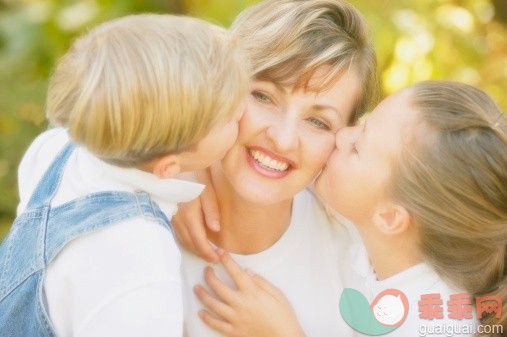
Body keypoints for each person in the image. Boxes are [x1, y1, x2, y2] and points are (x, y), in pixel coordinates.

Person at [0, 13, 249, 337]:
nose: (243, 112)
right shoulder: (139, 261)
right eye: (230, 116)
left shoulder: (58, 148)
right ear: (167, 167)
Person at [193, 81, 507, 336]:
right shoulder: (368, 229)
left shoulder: (438, 325)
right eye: (363, 123)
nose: (342, 135)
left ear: (389, 217)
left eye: (357, 147)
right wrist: (190, 173)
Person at [171, 0, 378, 336]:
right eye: (264, 97)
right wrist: (177, 173)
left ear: (341, 140)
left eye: (317, 121)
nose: (283, 139)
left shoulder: (359, 254)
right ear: (220, 83)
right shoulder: (136, 214)